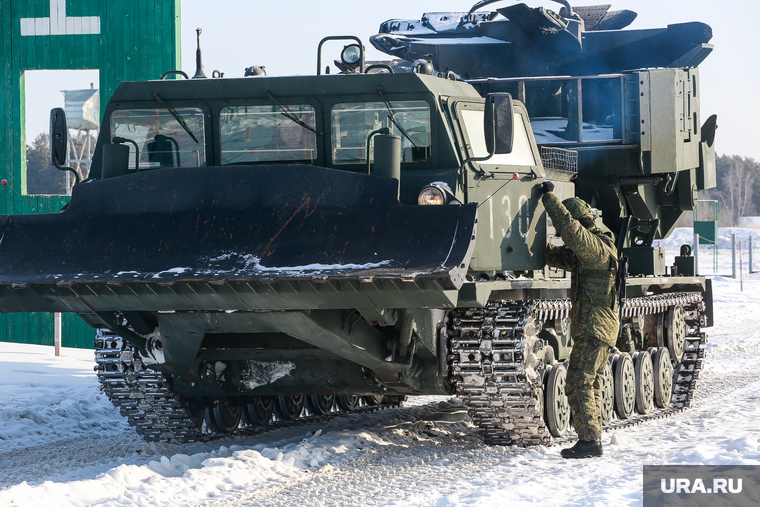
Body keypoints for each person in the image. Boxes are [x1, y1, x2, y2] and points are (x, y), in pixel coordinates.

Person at [538, 181, 619, 459]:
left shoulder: (597, 248)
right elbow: (554, 255)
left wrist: (549, 198)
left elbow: (572, 233)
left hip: (596, 327)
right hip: (595, 326)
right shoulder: (588, 255)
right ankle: (592, 437)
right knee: (590, 383)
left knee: (578, 381)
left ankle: (589, 442)